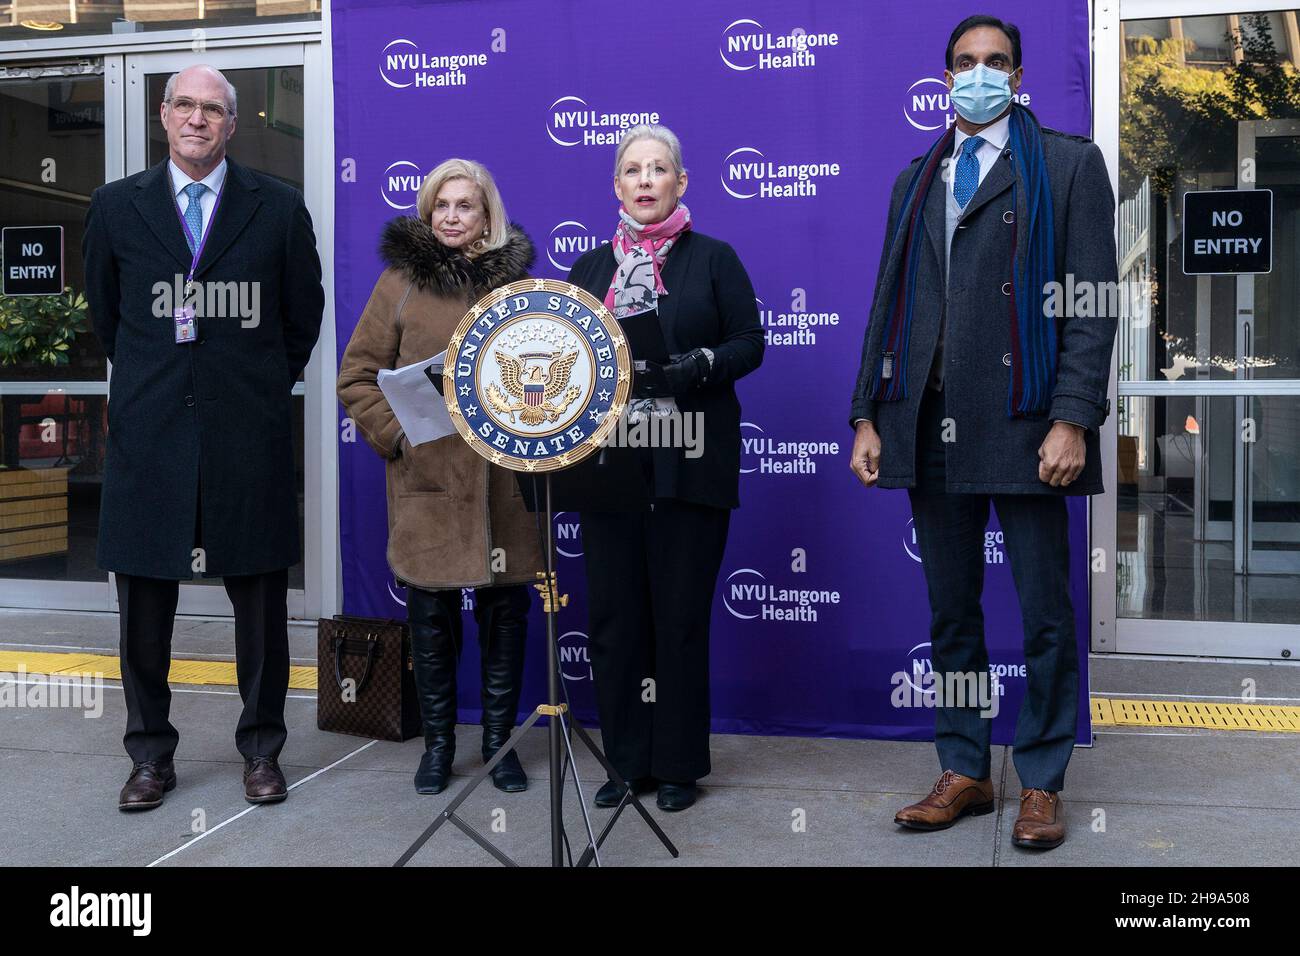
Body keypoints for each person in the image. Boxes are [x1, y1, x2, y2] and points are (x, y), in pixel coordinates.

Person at [848, 16, 1117, 850]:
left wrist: (1073, 417)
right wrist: (866, 412)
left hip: (1030, 424)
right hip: (931, 427)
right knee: (953, 616)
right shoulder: (915, 179)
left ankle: (1039, 781)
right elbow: (889, 301)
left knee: (1044, 615)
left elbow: (1089, 302)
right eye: (965, 63)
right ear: (945, 76)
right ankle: (965, 769)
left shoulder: (1069, 165)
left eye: (995, 62)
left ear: (1020, 75)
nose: (979, 74)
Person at [83, 65, 325, 810]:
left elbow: (300, 319)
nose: (197, 120)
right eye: (184, 106)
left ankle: (262, 752)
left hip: (245, 440)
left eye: (212, 110)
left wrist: (247, 390)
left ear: (232, 123)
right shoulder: (116, 206)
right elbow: (107, 315)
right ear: (163, 116)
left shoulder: (278, 208)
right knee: (145, 608)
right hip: (150, 440)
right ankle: (150, 757)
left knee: (259, 608)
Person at [559, 124, 764, 812]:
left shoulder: (714, 258)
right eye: (632, 171)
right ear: (616, 187)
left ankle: (677, 765)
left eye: (658, 169)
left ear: (681, 182)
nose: (645, 181)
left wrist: (697, 365)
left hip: (690, 463)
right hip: (609, 470)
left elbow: (748, 343)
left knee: (678, 619)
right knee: (616, 622)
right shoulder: (589, 270)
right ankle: (627, 763)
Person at [337, 159, 541, 795]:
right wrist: (397, 436)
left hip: (505, 484)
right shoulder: (398, 283)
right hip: (429, 482)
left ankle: (500, 746)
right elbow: (356, 376)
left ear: (488, 216)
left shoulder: (516, 287)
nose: (453, 217)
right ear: (428, 213)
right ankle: (439, 747)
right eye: (442, 206)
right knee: (432, 618)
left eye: (466, 207)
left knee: (505, 615)